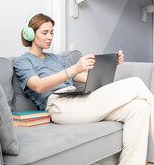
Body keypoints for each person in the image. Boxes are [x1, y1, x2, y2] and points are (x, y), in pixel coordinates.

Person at [13, 13, 154, 165]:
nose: (50, 37)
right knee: (136, 83)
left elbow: (87, 78)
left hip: (77, 99)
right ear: (30, 34)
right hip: (58, 105)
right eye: (45, 33)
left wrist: (111, 64)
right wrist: (74, 69)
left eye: (52, 32)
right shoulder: (23, 62)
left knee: (139, 107)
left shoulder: (57, 59)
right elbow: (38, 86)